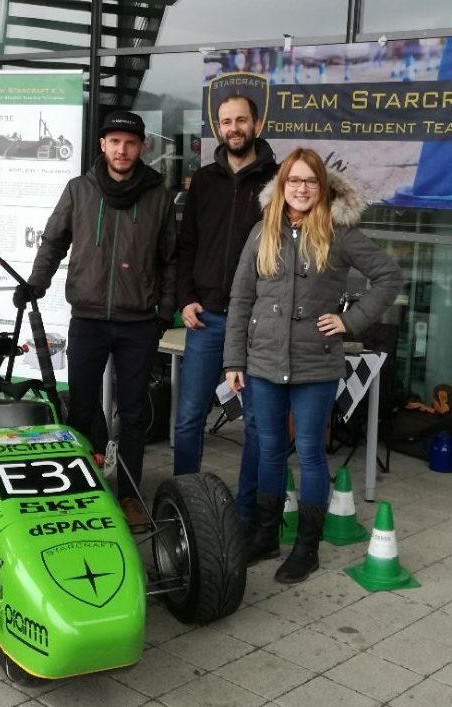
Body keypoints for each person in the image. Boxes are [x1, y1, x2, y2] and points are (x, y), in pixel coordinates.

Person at [224, 148, 402, 583]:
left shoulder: (339, 232)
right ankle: (266, 536)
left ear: (322, 187)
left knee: (309, 453)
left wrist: (350, 321)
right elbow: (241, 298)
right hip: (264, 363)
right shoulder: (262, 232)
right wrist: (233, 359)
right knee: (268, 450)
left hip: (315, 365)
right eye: (294, 180)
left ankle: (307, 548)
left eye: (310, 181)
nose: (301, 189)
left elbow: (389, 277)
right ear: (282, 185)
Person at [16, 110, 177, 529]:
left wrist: (163, 314)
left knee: (134, 413)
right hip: (87, 319)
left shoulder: (159, 197)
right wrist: (35, 284)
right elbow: (53, 241)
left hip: (138, 323)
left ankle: (130, 495)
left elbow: (170, 261)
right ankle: (82, 488)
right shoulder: (79, 190)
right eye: (115, 142)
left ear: (142, 147)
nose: (122, 150)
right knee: (83, 408)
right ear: (103, 145)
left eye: (130, 143)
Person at [173, 94, 278, 526]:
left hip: (257, 324)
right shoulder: (205, 180)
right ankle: (182, 506)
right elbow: (186, 246)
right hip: (208, 318)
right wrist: (184, 298)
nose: (233, 128)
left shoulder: (278, 182)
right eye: (226, 121)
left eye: (241, 120)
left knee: (256, 423)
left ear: (257, 124)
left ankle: (247, 514)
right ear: (218, 128)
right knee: (188, 417)